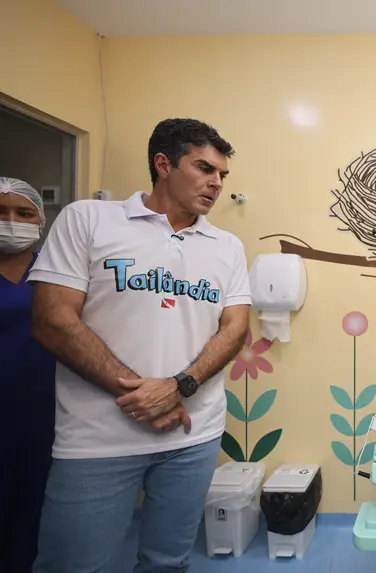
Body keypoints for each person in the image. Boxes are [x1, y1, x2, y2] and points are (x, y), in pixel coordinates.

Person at [29, 118, 252, 573]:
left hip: (193, 435)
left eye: (222, 174)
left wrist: (179, 386)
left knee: (168, 563)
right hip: (98, 438)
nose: (217, 183)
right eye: (205, 168)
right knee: (73, 564)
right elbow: (53, 319)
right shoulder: (89, 220)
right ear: (163, 164)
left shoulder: (226, 246)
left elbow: (234, 328)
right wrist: (144, 395)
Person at [0, 178, 57, 573]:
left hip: (46, 411)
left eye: (23, 213)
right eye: (1, 213)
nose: (11, 221)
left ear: (40, 221)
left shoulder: (55, 272)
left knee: (34, 509)